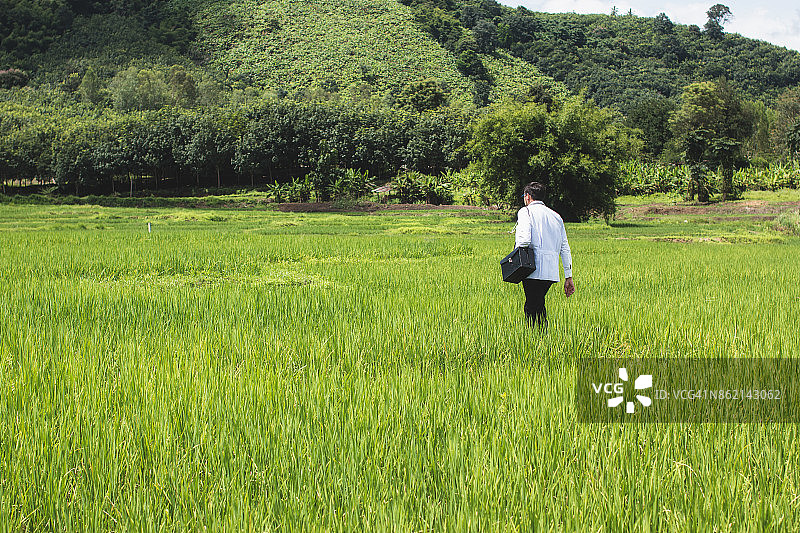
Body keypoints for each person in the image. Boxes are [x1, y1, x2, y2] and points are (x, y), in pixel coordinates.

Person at [514, 182, 575, 328]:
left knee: (532, 308)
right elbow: (565, 248)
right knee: (537, 304)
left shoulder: (526, 211)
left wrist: (515, 259)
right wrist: (568, 276)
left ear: (527, 196)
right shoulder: (556, 216)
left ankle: (536, 337)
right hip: (551, 272)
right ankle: (541, 337)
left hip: (532, 269)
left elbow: (524, 240)